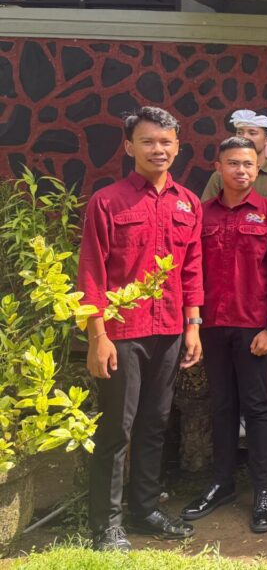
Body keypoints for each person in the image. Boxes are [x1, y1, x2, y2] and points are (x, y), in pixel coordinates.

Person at [78, 107, 203, 552]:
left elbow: (192, 269)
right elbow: (91, 274)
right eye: (148, 141)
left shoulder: (188, 203)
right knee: (117, 429)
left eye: (166, 142)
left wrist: (193, 325)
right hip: (122, 333)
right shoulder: (107, 202)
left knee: (155, 423)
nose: (158, 149)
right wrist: (98, 337)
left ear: (178, 147)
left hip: (169, 330)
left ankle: (145, 509)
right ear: (130, 147)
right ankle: (106, 524)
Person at [181, 137, 267, 534]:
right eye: (233, 163)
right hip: (212, 325)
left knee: (257, 407)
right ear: (218, 168)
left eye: (248, 164)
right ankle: (222, 483)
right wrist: (193, 324)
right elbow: (190, 270)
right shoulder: (202, 215)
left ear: (257, 167)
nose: (242, 170)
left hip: (254, 328)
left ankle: (263, 491)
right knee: (221, 405)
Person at [202, 109, 267, 232]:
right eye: (240, 132)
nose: (245, 137)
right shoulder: (220, 175)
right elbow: (206, 213)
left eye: (252, 133)